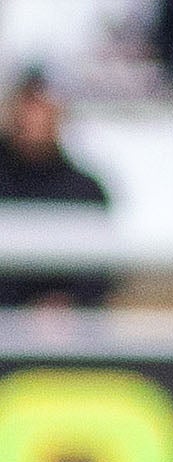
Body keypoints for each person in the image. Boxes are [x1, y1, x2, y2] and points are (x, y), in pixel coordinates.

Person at [0, 69, 112, 308]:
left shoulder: (85, 190)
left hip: (65, 332)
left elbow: (100, 272)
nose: (34, 117)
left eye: (42, 106)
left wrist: (66, 305)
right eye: (28, 105)